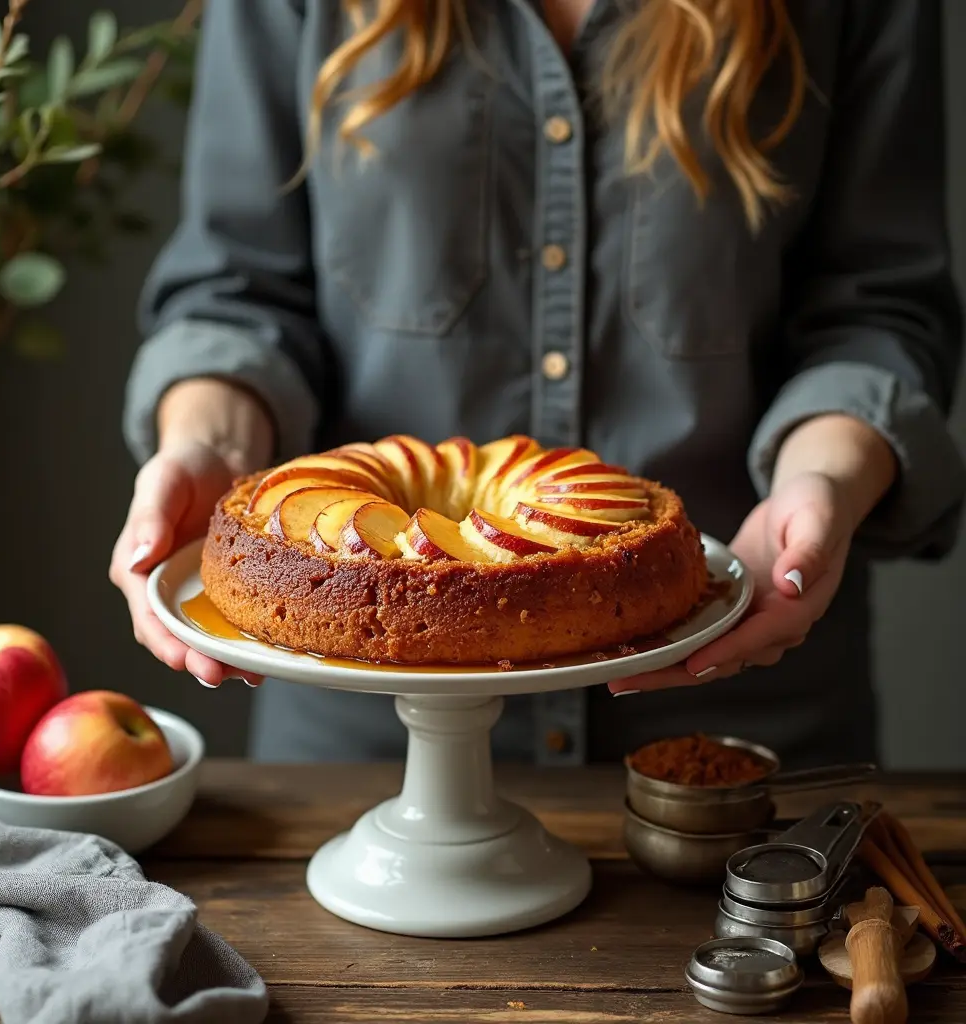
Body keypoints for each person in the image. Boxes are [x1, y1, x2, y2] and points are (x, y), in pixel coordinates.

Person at [110, 0, 965, 769]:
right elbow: (238, 293)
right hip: (360, 744)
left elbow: (879, 308)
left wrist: (821, 483)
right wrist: (207, 446)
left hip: (729, 739)